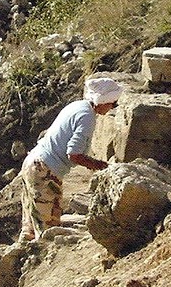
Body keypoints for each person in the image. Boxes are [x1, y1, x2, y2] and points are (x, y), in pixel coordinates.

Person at [18, 77, 122, 242]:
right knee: (47, 232)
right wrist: (99, 166)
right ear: (103, 101)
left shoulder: (77, 105)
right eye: (113, 103)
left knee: (30, 226)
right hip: (44, 172)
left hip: (33, 162)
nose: (112, 108)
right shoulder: (87, 117)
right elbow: (74, 154)